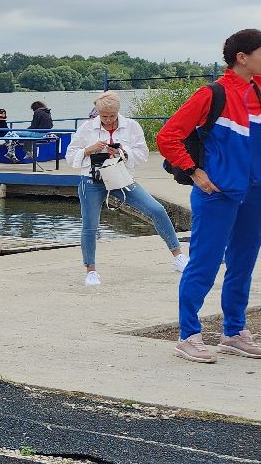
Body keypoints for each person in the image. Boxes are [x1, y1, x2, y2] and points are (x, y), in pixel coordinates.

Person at [158, 30, 261, 363]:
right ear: (242, 57)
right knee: (204, 264)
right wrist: (194, 171)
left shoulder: (257, 89)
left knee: (243, 264)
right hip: (217, 192)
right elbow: (168, 136)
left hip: (254, 192)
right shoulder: (212, 94)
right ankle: (188, 335)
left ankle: (234, 333)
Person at [65, 90, 184, 287]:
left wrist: (122, 151)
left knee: (156, 209)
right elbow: (70, 156)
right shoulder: (86, 128)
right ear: (97, 112)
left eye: (112, 116)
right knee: (90, 226)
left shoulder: (132, 126)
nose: (108, 120)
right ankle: (91, 271)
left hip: (121, 178)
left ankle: (178, 256)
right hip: (92, 181)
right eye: (104, 116)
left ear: (118, 111)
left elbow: (142, 154)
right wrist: (89, 150)